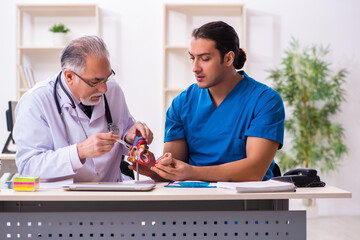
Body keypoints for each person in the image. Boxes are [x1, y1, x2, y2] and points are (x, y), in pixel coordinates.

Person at [132, 21, 285, 182]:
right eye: (192, 58)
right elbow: (173, 171)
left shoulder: (265, 101)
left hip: (249, 202)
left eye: (204, 59)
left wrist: (192, 172)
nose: (195, 67)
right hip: (194, 201)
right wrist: (153, 168)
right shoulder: (181, 104)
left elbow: (254, 171)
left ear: (228, 58)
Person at [13, 36, 153, 182]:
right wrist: (80, 151)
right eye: (95, 81)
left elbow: (124, 133)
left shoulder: (113, 90)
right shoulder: (36, 101)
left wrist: (129, 137)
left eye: (106, 78)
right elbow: (28, 167)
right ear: (69, 77)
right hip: (62, 200)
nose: (104, 88)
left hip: (111, 193)